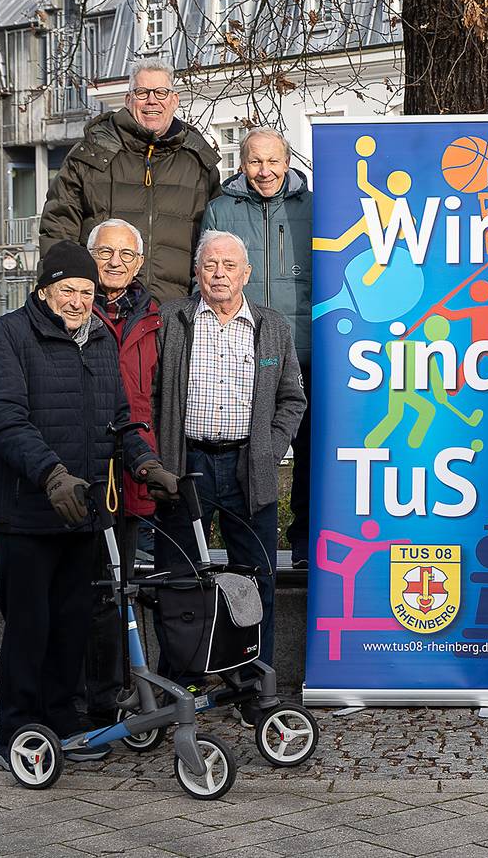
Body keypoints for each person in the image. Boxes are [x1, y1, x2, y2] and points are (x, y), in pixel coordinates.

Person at [0, 241, 178, 767]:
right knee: (29, 626)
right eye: (68, 289)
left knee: (71, 623)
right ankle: (14, 733)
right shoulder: (9, 337)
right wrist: (51, 475)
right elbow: (3, 418)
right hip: (28, 511)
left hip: (85, 512)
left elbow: (121, 419)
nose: (78, 299)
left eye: (87, 291)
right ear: (43, 289)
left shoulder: (99, 342)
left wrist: (145, 463)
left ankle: (63, 722)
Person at [152, 230, 307, 668]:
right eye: (210, 265)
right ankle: (179, 682)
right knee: (178, 579)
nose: (219, 274)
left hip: (248, 467)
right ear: (197, 271)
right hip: (186, 464)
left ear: (246, 274)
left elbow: (292, 398)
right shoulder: (171, 320)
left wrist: (268, 450)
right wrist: (161, 456)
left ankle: (255, 685)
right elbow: (151, 393)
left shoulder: (271, 326)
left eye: (229, 265)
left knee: (257, 581)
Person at [198, 128, 313, 568]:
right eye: (254, 162)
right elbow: (206, 276)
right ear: (242, 164)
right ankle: (226, 539)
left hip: (306, 347)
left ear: (287, 162)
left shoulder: (314, 206)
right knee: (246, 443)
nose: (264, 171)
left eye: (273, 161)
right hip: (246, 345)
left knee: (308, 447)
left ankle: (303, 539)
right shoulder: (221, 208)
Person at [39, 58, 221, 303]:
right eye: (142, 92)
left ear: (174, 100)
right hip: (103, 308)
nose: (152, 101)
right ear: (128, 100)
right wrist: (60, 297)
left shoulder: (198, 162)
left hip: (175, 311)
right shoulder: (91, 154)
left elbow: (213, 241)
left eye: (161, 92)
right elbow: (58, 228)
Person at [83, 218, 162, 726]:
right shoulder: (73, 305)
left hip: (135, 465)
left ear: (139, 263)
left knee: (128, 584)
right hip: (85, 467)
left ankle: (131, 689)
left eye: (126, 255)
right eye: (105, 252)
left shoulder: (157, 314)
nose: (115, 262)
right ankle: (97, 697)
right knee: (91, 588)